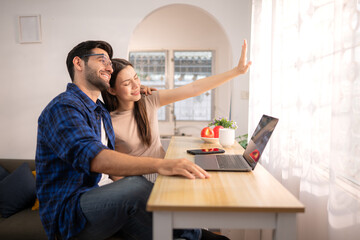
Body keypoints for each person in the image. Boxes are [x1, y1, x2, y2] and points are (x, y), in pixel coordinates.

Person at [35, 40, 230, 240]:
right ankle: (196, 234)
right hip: (71, 211)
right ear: (78, 63)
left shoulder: (100, 111)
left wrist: (135, 88)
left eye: (110, 63)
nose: (109, 67)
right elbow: (95, 158)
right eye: (102, 60)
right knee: (136, 186)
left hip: (103, 199)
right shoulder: (64, 107)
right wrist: (162, 165)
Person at [101, 40, 252, 183]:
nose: (135, 85)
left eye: (136, 78)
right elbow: (112, 168)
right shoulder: (107, 121)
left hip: (165, 173)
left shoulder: (149, 100)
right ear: (112, 90)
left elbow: (194, 89)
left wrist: (236, 72)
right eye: (127, 83)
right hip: (135, 182)